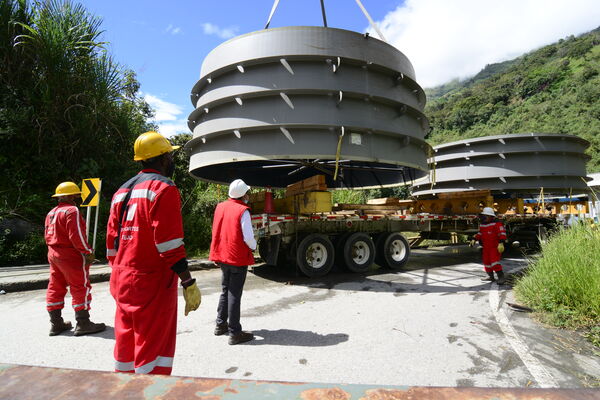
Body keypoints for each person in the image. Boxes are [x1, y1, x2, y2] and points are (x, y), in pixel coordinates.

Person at [106, 131, 201, 375]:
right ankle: (150, 390)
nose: (172, 159)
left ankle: (123, 389)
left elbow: (111, 244)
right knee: (153, 347)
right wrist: (187, 280)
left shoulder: (121, 191)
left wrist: (121, 271)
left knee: (126, 342)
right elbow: (169, 245)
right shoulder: (163, 188)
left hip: (121, 278)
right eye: (170, 155)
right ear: (162, 158)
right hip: (151, 282)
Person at [44, 182, 106, 336]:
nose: (77, 199)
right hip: (70, 255)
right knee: (80, 286)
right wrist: (87, 252)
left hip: (53, 252)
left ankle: (56, 324)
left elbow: (47, 235)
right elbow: (76, 235)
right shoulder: (72, 211)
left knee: (55, 286)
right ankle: (83, 323)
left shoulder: (51, 212)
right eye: (76, 196)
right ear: (71, 196)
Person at [210, 179, 256, 345]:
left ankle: (220, 324)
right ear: (243, 194)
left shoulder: (220, 207)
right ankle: (235, 332)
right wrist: (254, 246)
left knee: (225, 290)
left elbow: (216, 229)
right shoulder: (243, 211)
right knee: (234, 293)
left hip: (223, 255)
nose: (249, 195)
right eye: (247, 193)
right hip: (237, 257)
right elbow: (248, 237)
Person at [473, 207, 507, 284]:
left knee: (494, 262)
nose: (484, 217)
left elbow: (502, 233)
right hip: (486, 247)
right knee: (486, 263)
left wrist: (501, 242)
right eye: (483, 216)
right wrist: (474, 239)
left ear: (491, 216)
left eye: (485, 216)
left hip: (494, 247)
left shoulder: (497, 224)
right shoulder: (483, 225)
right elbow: (480, 233)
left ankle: (501, 277)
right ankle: (490, 276)